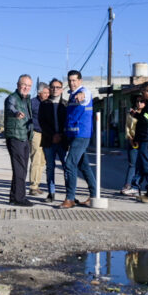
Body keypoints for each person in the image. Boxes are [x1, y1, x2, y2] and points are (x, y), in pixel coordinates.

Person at [59, 70, 97, 208]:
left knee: (69, 164)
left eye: (74, 80)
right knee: (83, 166)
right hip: (72, 136)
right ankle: (94, 195)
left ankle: (70, 198)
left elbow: (85, 95)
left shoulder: (84, 92)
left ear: (80, 81)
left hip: (81, 135)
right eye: (70, 80)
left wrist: (81, 95)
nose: (72, 83)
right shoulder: (71, 95)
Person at [4, 74, 33, 207]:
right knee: (19, 169)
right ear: (18, 85)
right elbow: (11, 108)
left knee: (21, 169)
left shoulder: (27, 100)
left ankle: (13, 196)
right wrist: (16, 113)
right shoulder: (12, 98)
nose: (26, 87)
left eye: (28, 86)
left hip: (25, 137)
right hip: (15, 137)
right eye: (24, 85)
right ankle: (20, 198)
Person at [39, 78, 67, 202]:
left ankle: (69, 195)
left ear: (61, 90)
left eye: (58, 87)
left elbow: (69, 122)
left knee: (67, 167)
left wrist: (61, 135)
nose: (55, 89)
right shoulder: (44, 105)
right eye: (53, 87)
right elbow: (41, 122)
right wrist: (52, 136)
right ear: (49, 89)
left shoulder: (66, 104)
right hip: (49, 141)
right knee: (50, 167)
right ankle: (51, 193)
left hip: (63, 141)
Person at [120, 95, 145, 195]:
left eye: (141, 101)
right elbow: (127, 128)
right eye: (137, 101)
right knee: (132, 164)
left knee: (142, 165)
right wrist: (130, 139)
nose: (139, 103)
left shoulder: (146, 114)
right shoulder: (131, 114)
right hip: (132, 142)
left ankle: (137, 186)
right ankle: (128, 185)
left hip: (143, 142)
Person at [28, 82, 49, 196]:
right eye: (45, 92)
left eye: (48, 92)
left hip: (46, 134)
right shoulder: (33, 103)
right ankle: (33, 186)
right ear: (39, 93)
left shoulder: (48, 103)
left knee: (42, 161)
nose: (47, 94)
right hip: (36, 133)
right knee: (36, 158)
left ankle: (37, 184)